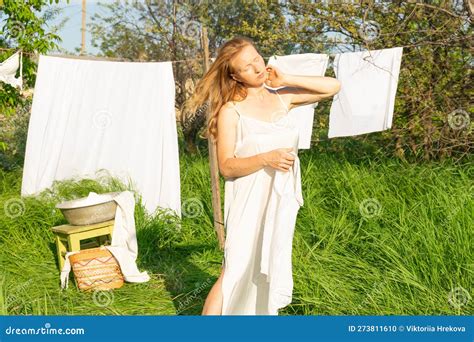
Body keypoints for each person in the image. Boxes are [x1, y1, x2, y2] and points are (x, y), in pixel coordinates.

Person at [185, 36, 340, 315]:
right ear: (235, 75)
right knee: (234, 269)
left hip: (278, 200)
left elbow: (333, 87)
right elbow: (227, 166)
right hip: (248, 198)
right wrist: (265, 158)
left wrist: (287, 77)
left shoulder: (283, 95)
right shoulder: (231, 110)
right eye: (247, 66)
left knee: (265, 265)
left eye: (257, 58)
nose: (257, 67)